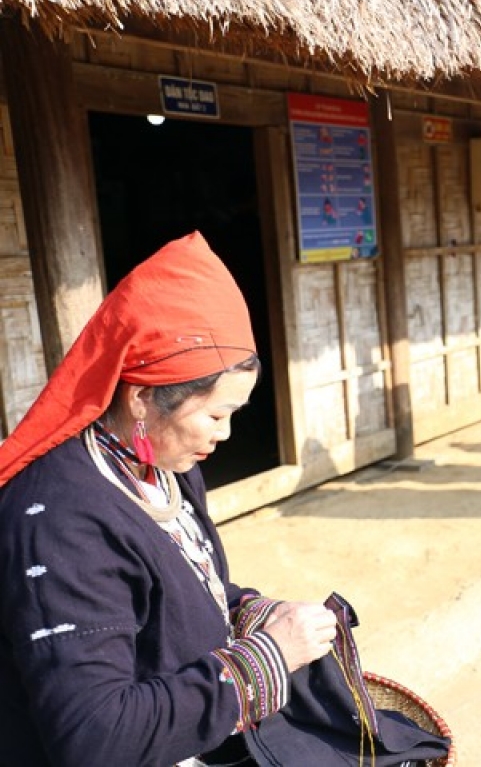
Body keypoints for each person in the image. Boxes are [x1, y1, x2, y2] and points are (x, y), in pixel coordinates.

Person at [0, 234, 442, 766]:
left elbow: (184, 588)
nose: (225, 435)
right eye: (213, 415)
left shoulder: (163, 467)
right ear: (141, 397)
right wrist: (268, 660)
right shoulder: (60, 520)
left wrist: (250, 610)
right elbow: (97, 738)